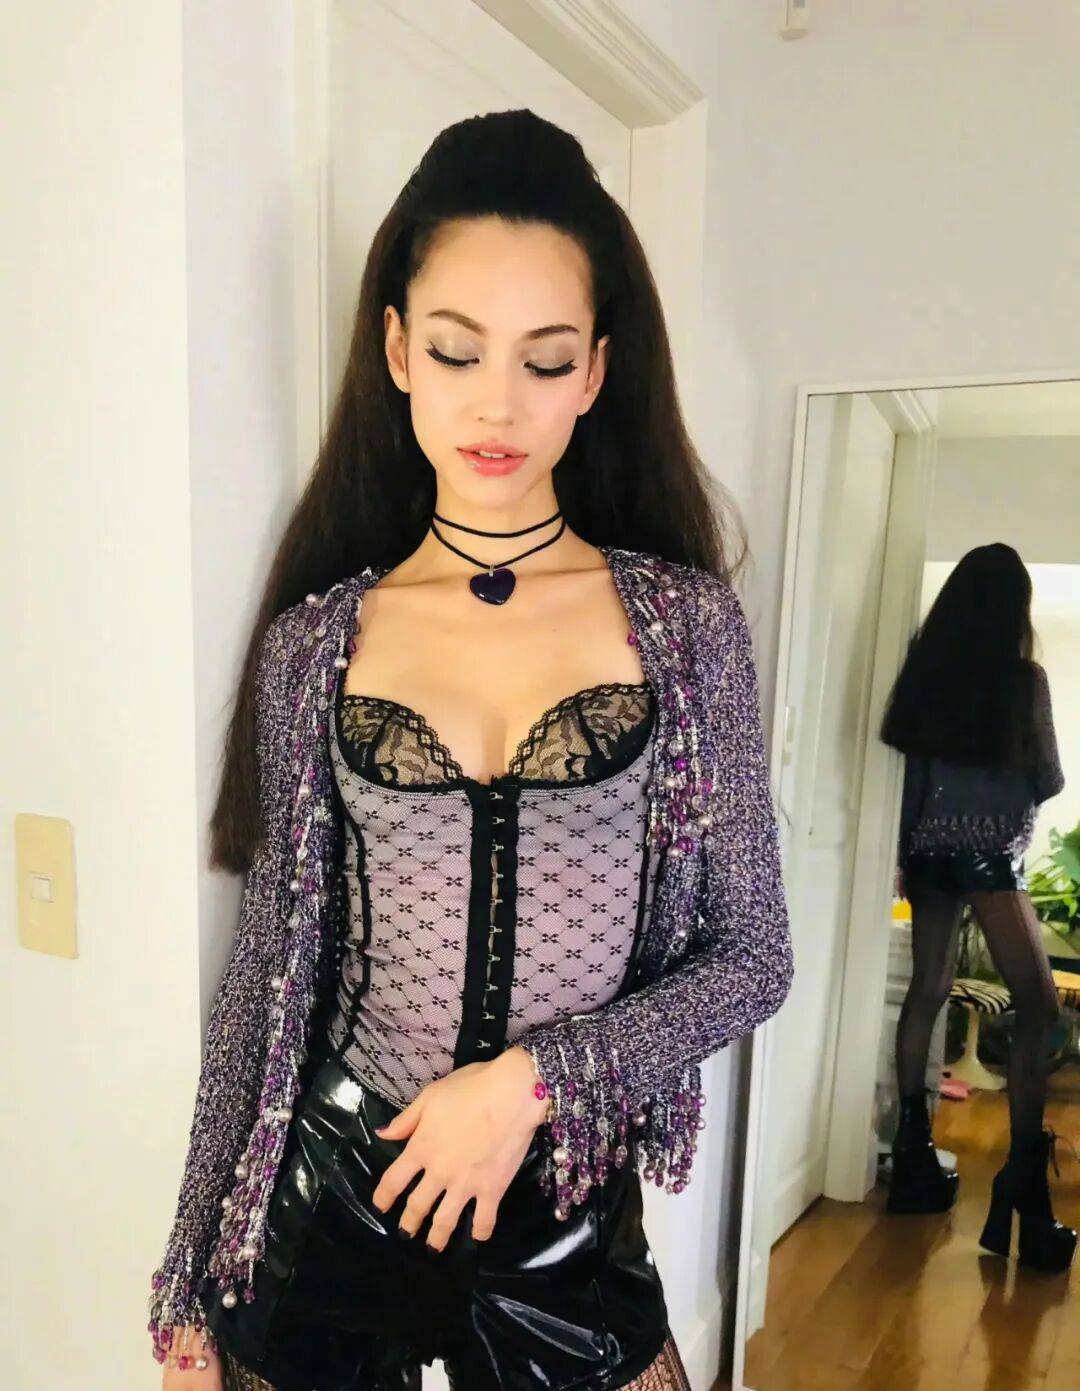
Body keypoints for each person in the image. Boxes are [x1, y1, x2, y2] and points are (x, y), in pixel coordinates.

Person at [149, 109, 794, 1388]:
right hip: (331, 1198)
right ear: (398, 348)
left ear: (596, 372)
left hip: (563, 1221)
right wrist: (187, 1288)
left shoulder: (683, 627)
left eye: (544, 361)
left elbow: (754, 955)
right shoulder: (316, 643)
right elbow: (264, 982)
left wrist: (531, 1084)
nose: (497, 402)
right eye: (456, 350)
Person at [880, 542, 1075, 1271]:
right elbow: (1048, 776)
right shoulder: (1023, 680)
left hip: (928, 850)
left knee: (928, 990)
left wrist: (905, 849)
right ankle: (1024, 1180)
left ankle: (913, 1158)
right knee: (1041, 1004)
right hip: (992, 854)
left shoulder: (926, 672)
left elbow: (909, 770)